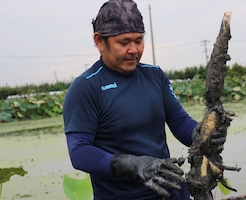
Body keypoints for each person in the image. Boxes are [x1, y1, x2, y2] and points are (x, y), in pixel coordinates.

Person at [63, 0, 227, 199]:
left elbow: (179, 121)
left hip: (171, 192)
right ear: (99, 41)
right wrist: (133, 165)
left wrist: (202, 135)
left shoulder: (154, 76)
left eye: (138, 40)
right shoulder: (86, 87)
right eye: (124, 42)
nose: (134, 50)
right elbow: (79, 152)